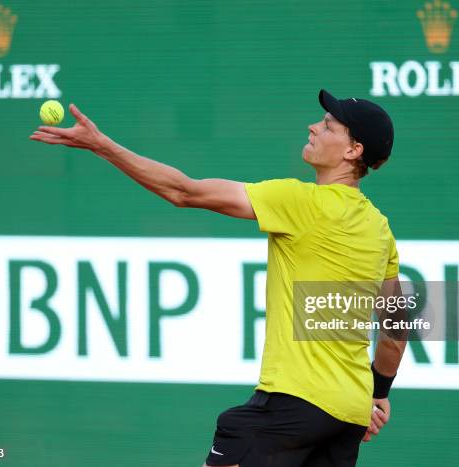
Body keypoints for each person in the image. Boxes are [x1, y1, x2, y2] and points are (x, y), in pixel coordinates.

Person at [30, 89, 407, 467]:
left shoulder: (301, 202)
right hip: (348, 417)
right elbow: (396, 329)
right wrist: (375, 393)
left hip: (293, 404)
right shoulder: (380, 230)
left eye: (328, 126)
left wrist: (101, 145)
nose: (313, 127)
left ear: (352, 151)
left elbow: (182, 192)